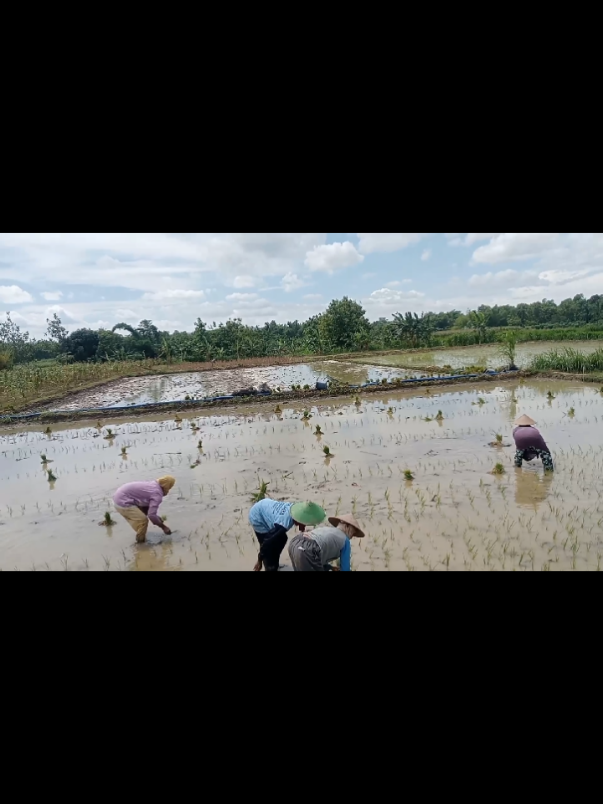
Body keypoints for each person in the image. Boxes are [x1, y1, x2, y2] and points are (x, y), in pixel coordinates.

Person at [249, 499, 326, 572]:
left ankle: (275, 563)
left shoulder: (296, 508)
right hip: (258, 516)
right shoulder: (283, 524)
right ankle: (270, 567)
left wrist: (302, 527)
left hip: (266, 505)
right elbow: (266, 543)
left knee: (282, 538)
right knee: (269, 549)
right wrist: (259, 560)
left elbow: (301, 518)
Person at [288, 513, 365, 572]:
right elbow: (345, 569)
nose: (352, 536)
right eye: (353, 533)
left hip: (295, 543)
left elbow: (319, 551)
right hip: (308, 549)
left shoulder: (327, 530)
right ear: (347, 527)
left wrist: (329, 567)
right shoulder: (345, 540)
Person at [113, 476, 175, 543]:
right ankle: (141, 544)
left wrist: (156, 517)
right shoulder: (157, 494)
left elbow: (146, 508)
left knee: (142, 517)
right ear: (168, 486)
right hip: (122, 502)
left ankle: (141, 536)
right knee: (143, 521)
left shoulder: (154, 484)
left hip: (118, 496)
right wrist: (163, 527)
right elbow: (151, 515)